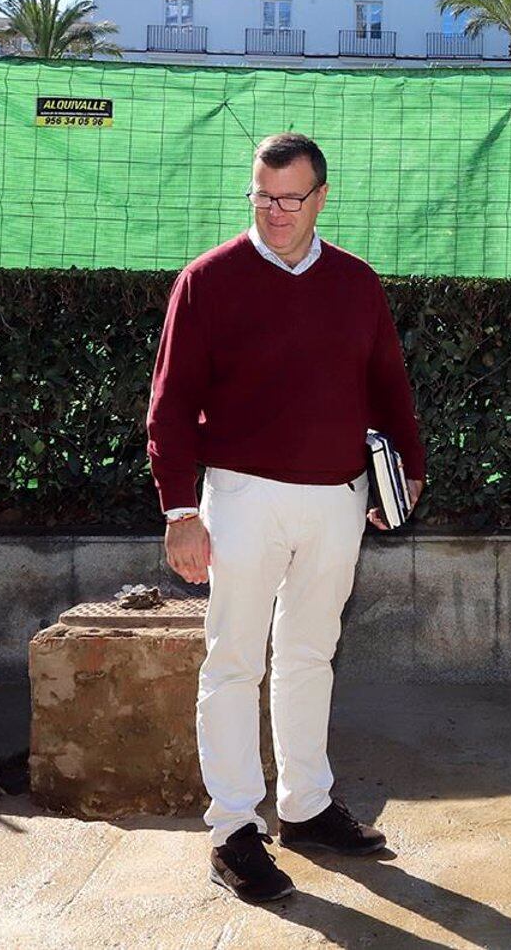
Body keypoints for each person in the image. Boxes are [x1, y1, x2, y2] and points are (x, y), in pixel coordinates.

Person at [150, 132, 427, 904]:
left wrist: (406, 467)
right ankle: (233, 830)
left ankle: (305, 806)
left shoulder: (356, 283)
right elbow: (169, 403)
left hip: (337, 496)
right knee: (234, 659)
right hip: (239, 495)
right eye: (262, 196)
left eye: (290, 198)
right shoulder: (207, 280)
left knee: (310, 652)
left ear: (321, 198)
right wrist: (180, 507)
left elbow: (386, 383)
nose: (274, 212)